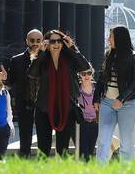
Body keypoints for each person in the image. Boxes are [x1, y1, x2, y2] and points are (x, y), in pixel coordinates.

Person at [29, 29, 91, 157]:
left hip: (65, 107)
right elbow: (32, 73)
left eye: (59, 41)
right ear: (47, 43)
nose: (56, 44)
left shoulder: (69, 58)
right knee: (43, 149)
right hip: (44, 108)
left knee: (63, 149)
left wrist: (73, 48)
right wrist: (40, 52)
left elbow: (85, 67)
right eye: (52, 41)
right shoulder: (42, 59)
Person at [95, 26, 135, 162]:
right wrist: (96, 98)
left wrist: (121, 99)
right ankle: (99, 171)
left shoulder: (134, 57)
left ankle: (127, 173)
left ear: (119, 38)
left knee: (126, 141)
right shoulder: (109, 55)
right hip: (106, 103)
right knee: (103, 140)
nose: (108, 39)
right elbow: (102, 77)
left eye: (111, 36)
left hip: (127, 104)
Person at [0, 29, 43, 157]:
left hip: (43, 102)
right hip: (24, 101)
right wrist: (5, 79)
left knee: (43, 131)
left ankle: (43, 159)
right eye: (32, 40)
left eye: (38, 40)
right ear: (27, 41)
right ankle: (25, 156)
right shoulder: (16, 60)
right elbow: (10, 82)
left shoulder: (47, 59)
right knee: (25, 131)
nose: (35, 43)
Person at [74, 68, 99, 160]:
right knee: (84, 152)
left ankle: (87, 171)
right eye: (83, 74)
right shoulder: (77, 88)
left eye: (89, 73)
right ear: (80, 75)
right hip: (82, 123)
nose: (86, 76)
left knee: (91, 150)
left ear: (92, 74)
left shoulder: (97, 88)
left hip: (95, 123)